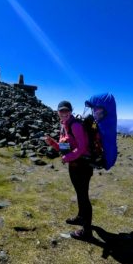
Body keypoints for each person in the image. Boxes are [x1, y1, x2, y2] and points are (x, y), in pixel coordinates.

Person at [45, 100, 93, 240]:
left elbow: (82, 147)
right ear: (58, 112)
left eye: (67, 111)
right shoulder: (64, 126)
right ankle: (80, 217)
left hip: (83, 165)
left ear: (71, 111)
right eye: (61, 111)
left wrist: (68, 158)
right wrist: (52, 143)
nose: (64, 113)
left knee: (84, 196)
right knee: (79, 193)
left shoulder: (75, 125)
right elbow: (64, 147)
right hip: (74, 165)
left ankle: (87, 232)